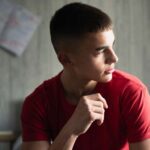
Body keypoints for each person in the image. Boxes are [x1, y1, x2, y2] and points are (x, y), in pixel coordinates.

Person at [21, 2, 150, 150]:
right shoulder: (37, 103)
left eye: (112, 46)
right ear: (66, 59)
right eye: (100, 50)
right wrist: (72, 130)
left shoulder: (132, 92)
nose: (114, 58)